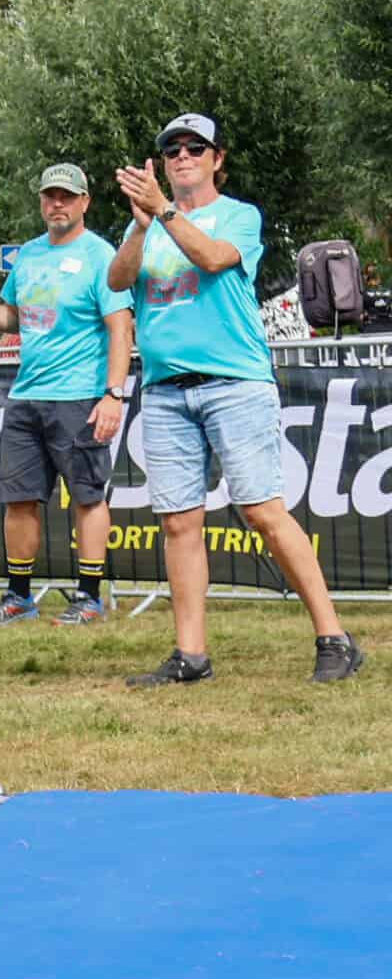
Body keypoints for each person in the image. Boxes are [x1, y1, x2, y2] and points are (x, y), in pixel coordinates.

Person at [107, 114, 364, 685]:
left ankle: (335, 638)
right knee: (178, 524)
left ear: (217, 159)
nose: (182, 156)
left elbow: (215, 258)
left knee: (264, 513)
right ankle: (191, 656)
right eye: (171, 149)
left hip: (235, 384)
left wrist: (165, 213)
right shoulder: (150, 223)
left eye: (195, 147)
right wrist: (142, 225)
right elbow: (120, 279)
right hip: (168, 391)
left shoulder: (239, 215)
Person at [0, 163, 136, 626]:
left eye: (67, 196)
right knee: (19, 499)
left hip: (80, 396)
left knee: (88, 498)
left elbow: (121, 328)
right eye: (49, 196)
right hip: (26, 395)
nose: (57, 204)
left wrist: (113, 395)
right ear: (41, 201)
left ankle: (89, 597)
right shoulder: (28, 257)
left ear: (84, 202)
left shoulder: (102, 255)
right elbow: (14, 317)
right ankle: (18, 597)